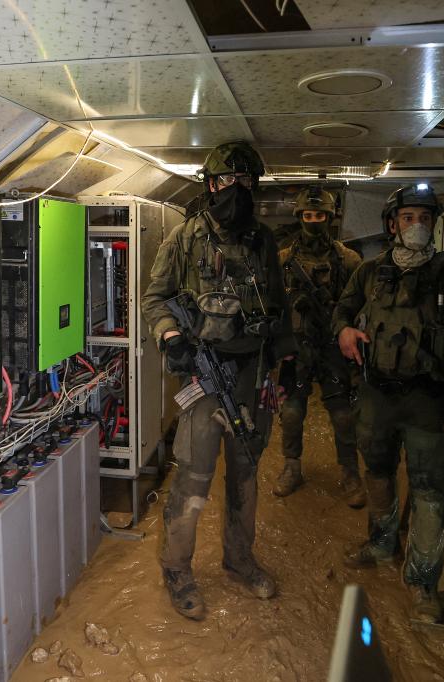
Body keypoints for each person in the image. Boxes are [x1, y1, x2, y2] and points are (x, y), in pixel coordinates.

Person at [141, 141, 291, 621]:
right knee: (194, 476)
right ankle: (177, 569)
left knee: (246, 473)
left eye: (247, 183)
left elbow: (279, 310)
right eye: (229, 182)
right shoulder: (185, 239)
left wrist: (285, 367)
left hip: (251, 376)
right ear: (211, 185)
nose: (238, 192)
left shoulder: (263, 242)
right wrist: (170, 336)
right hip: (205, 380)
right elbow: (154, 298)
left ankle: (239, 558)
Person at [332, 185, 444, 623]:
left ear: (434, 223)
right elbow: (341, 313)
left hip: (431, 400)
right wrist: (344, 330)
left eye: (423, 217)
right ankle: (382, 543)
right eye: (407, 218)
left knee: (428, 492)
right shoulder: (368, 272)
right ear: (391, 223)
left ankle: (423, 583)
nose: (416, 225)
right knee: (378, 474)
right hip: (378, 396)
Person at [273, 187, 365, 508]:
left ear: (330, 218)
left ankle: (350, 473)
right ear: (300, 217)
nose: (314, 221)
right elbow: (273, 308)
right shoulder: (284, 260)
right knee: (292, 411)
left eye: (320, 215)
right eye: (309, 216)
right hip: (297, 347)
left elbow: (361, 308)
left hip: (332, 348)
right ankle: (292, 467)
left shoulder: (349, 260)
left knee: (342, 415)